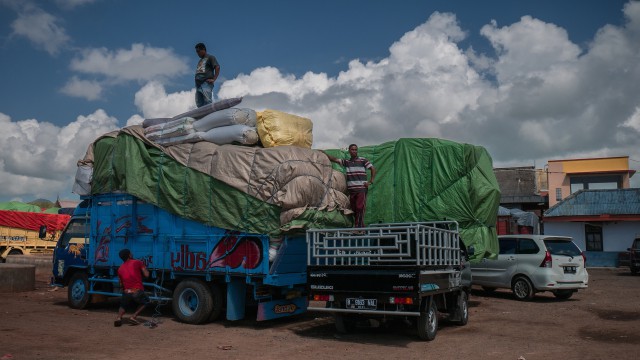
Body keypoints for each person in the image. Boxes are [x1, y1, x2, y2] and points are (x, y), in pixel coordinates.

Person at [322, 144, 376, 229]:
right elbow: (334, 159)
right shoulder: (347, 162)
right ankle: (360, 227)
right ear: (349, 151)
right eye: (352, 150)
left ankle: (359, 228)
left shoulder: (363, 160)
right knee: (354, 209)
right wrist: (324, 154)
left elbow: (372, 168)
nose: (354, 151)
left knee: (360, 208)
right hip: (352, 190)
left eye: (355, 150)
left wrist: (370, 181)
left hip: (361, 189)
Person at [114, 248, 150, 327]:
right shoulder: (138, 262)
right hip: (136, 290)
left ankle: (118, 318)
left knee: (123, 305)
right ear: (129, 255)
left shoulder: (120, 269)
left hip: (127, 291)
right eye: (131, 253)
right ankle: (133, 316)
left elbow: (121, 284)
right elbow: (146, 275)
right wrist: (146, 271)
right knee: (146, 301)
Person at [194, 42, 220, 108]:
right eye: (196, 52)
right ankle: (202, 117)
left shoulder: (210, 57)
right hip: (198, 85)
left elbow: (217, 67)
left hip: (206, 83)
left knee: (207, 100)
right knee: (199, 103)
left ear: (203, 49)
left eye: (198, 51)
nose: (197, 53)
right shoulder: (200, 60)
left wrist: (214, 79)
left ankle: (210, 115)